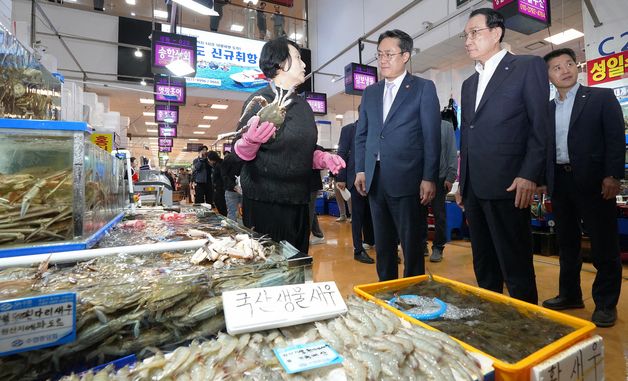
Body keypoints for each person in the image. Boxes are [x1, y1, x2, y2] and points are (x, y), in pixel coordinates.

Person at [455, 8, 549, 304]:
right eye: (465, 35)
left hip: (510, 183)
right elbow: (468, 136)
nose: (468, 40)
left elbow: (540, 125)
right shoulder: (469, 84)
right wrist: (462, 181)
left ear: (496, 33)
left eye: (474, 33)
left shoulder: (526, 66)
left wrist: (530, 173)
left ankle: (526, 327)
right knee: (484, 264)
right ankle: (490, 321)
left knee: (516, 264)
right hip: (474, 188)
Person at [234, 37, 345, 254]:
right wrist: (249, 142)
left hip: (299, 201)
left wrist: (322, 158)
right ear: (279, 63)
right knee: (267, 269)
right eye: (297, 58)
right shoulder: (258, 100)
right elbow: (237, 153)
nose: (304, 64)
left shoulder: (303, 106)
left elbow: (303, 149)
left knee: (297, 263)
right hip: (264, 202)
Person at [539, 48, 624, 327]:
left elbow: (614, 139)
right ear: (548, 75)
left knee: (603, 243)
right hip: (560, 182)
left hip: (595, 181)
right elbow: (545, 148)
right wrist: (542, 180)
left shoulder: (600, 97)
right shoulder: (547, 108)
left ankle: (605, 303)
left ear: (576, 67)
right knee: (567, 243)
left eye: (569, 64)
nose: (565, 70)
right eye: (556, 67)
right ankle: (570, 294)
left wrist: (613, 176)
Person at [354, 29, 441, 281]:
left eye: (389, 54)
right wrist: (361, 168)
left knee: (412, 246)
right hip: (375, 179)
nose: (382, 60)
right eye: (379, 54)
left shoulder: (423, 88)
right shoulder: (370, 93)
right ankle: (387, 291)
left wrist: (429, 177)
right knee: (383, 246)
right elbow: (363, 135)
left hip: (409, 180)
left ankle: (413, 296)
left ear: (405, 55)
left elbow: (431, 137)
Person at [337, 119, 375, 264]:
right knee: (357, 216)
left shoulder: (376, 126)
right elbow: (342, 152)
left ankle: (372, 241)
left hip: (375, 177)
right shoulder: (349, 129)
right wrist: (341, 177)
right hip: (354, 176)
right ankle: (358, 250)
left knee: (373, 213)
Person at [426, 115, 458, 263]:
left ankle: (438, 247)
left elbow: (452, 151)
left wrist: (450, 176)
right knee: (419, 215)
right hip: (420, 178)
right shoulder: (419, 124)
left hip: (440, 177)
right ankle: (422, 244)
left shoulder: (446, 126)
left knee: (439, 214)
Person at [221, 150, 243, 221]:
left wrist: (234, 186)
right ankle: (244, 231)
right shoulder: (249, 156)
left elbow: (224, 175)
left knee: (232, 213)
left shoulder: (228, 158)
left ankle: (234, 231)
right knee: (243, 213)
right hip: (240, 189)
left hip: (232, 189)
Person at [208, 151, 227, 216]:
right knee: (218, 203)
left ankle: (224, 218)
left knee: (221, 205)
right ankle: (223, 217)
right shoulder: (218, 163)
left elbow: (223, 177)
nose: (208, 161)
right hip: (219, 188)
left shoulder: (219, 165)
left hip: (220, 189)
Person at [309, 169, 325, 245]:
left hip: (310, 181)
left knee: (309, 209)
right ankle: (318, 234)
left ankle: (305, 237)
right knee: (310, 209)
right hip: (305, 181)